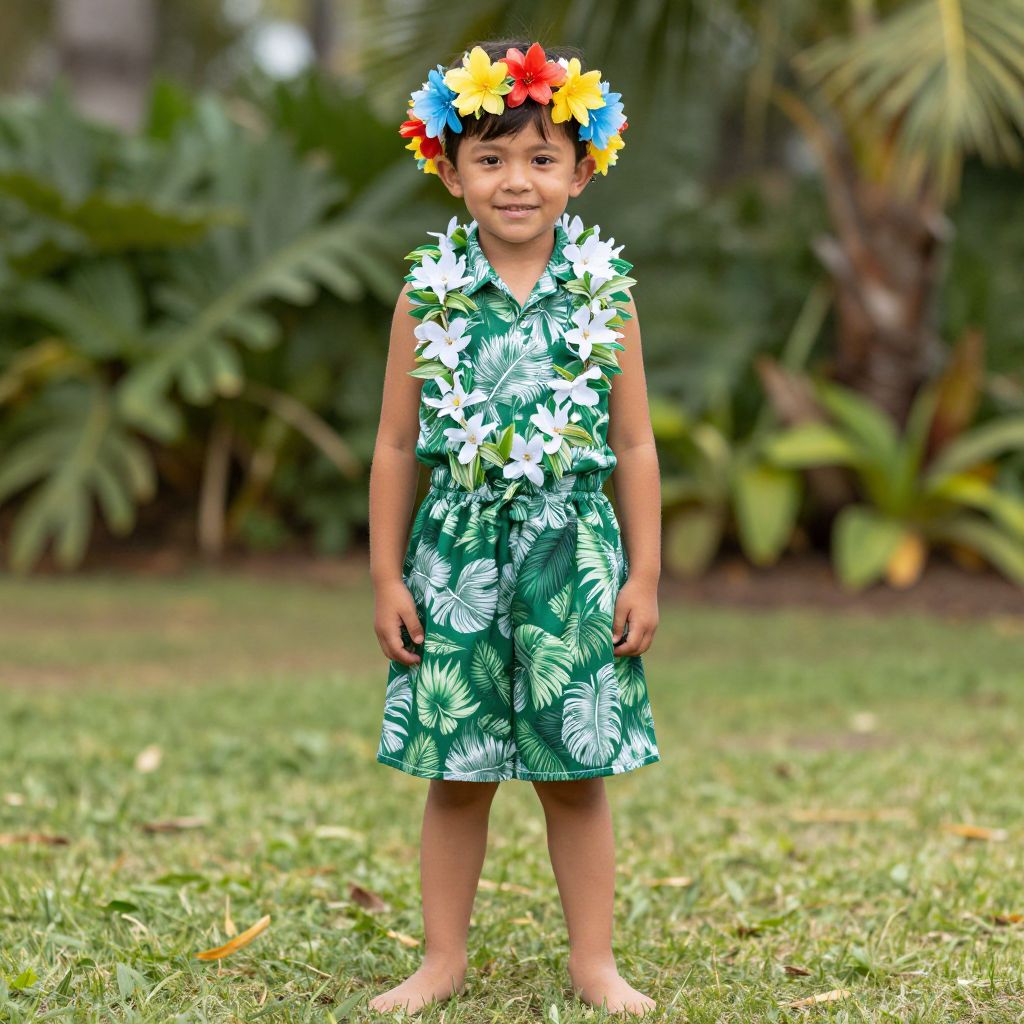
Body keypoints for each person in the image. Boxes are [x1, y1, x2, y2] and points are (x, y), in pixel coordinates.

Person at [368, 38, 662, 1017]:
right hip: (454, 560)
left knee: (575, 775)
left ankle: (594, 963)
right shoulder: (425, 297)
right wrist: (386, 576)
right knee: (457, 776)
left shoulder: (607, 298)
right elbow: (395, 446)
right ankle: (441, 958)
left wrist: (644, 574)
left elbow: (635, 445)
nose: (516, 180)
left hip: (572, 557)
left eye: (541, 157)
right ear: (450, 171)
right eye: (489, 157)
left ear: (581, 171)